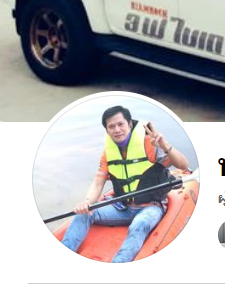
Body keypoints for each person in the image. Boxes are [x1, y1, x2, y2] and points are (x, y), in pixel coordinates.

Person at [60, 105, 190, 263]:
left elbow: (183, 165)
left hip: (150, 207)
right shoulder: (108, 152)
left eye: (120, 124)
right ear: (107, 130)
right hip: (122, 207)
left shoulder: (150, 143)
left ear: (129, 124)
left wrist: (164, 145)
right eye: (111, 126)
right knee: (83, 214)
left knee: (139, 224)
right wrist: (87, 202)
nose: (117, 130)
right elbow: (98, 182)